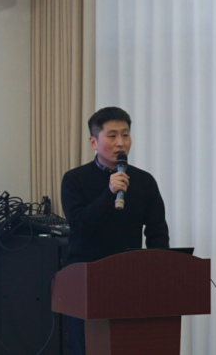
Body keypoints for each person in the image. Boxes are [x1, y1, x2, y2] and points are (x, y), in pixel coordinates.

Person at [59, 106, 169, 355]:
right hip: (86, 282)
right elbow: (79, 226)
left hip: (130, 281)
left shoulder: (144, 181)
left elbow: (157, 234)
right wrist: (109, 194)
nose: (121, 142)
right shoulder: (75, 179)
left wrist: (160, 274)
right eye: (112, 135)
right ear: (93, 142)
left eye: (126, 134)